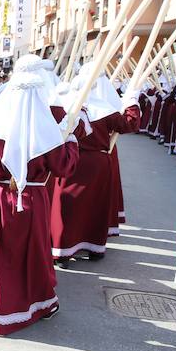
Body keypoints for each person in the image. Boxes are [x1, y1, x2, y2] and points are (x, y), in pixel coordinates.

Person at [0, 71, 80, 335]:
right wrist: (70, 139)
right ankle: (34, 306)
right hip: (33, 199)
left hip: (0, 200)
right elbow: (64, 166)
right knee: (32, 254)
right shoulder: (46, 132)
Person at [51, 63, 141, 266]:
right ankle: (93, 249)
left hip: (69, 161)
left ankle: (63, 251)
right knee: (94, 206)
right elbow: (129, 124)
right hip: (96, 164)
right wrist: (132, 102)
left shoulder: (63, 107)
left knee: (67, 206)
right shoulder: (104, 109)